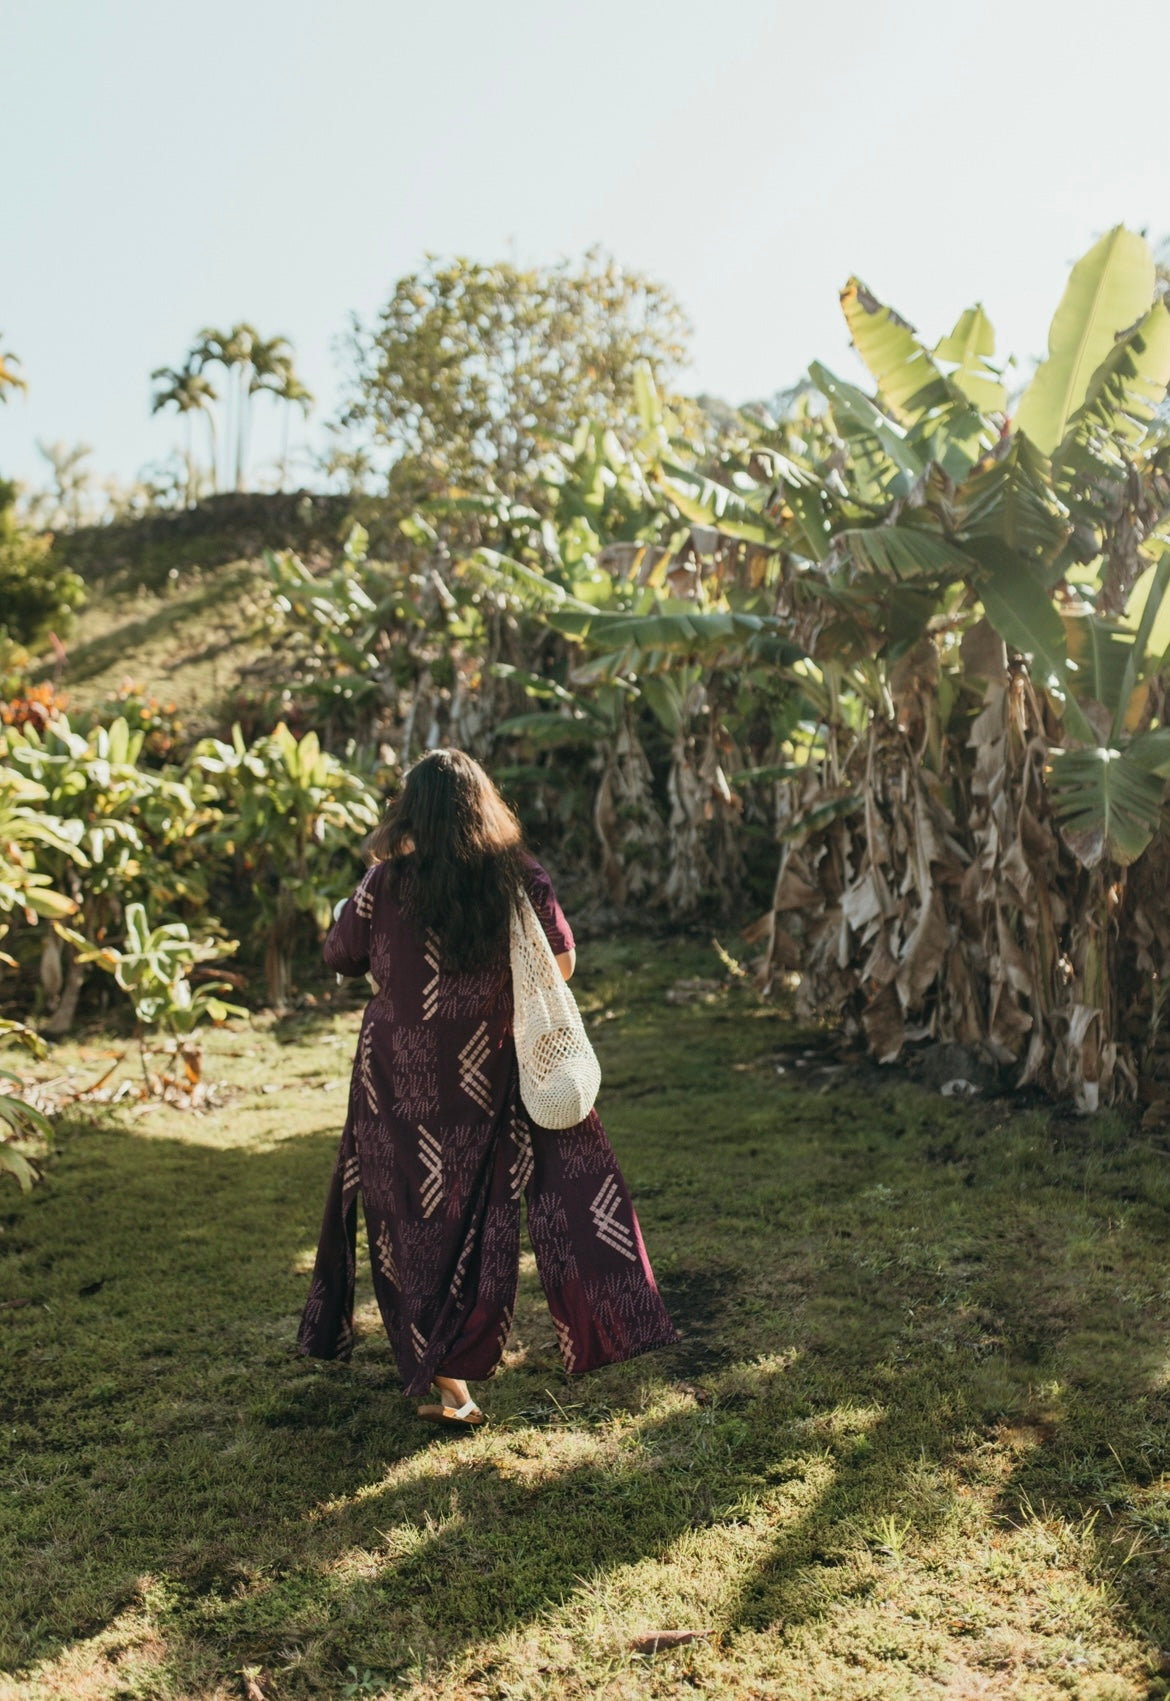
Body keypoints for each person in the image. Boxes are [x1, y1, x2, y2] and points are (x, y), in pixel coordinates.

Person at [297, 748, 678, 1425]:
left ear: (411, 812)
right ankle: (471, 1359)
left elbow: (339, 954)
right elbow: (560, 962)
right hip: (486, 1071)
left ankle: (448, 1382)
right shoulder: (518, 877)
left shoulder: (383, 884)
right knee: (482, 1209)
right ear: (484, 806)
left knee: (406, 1219)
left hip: (396, 1078)